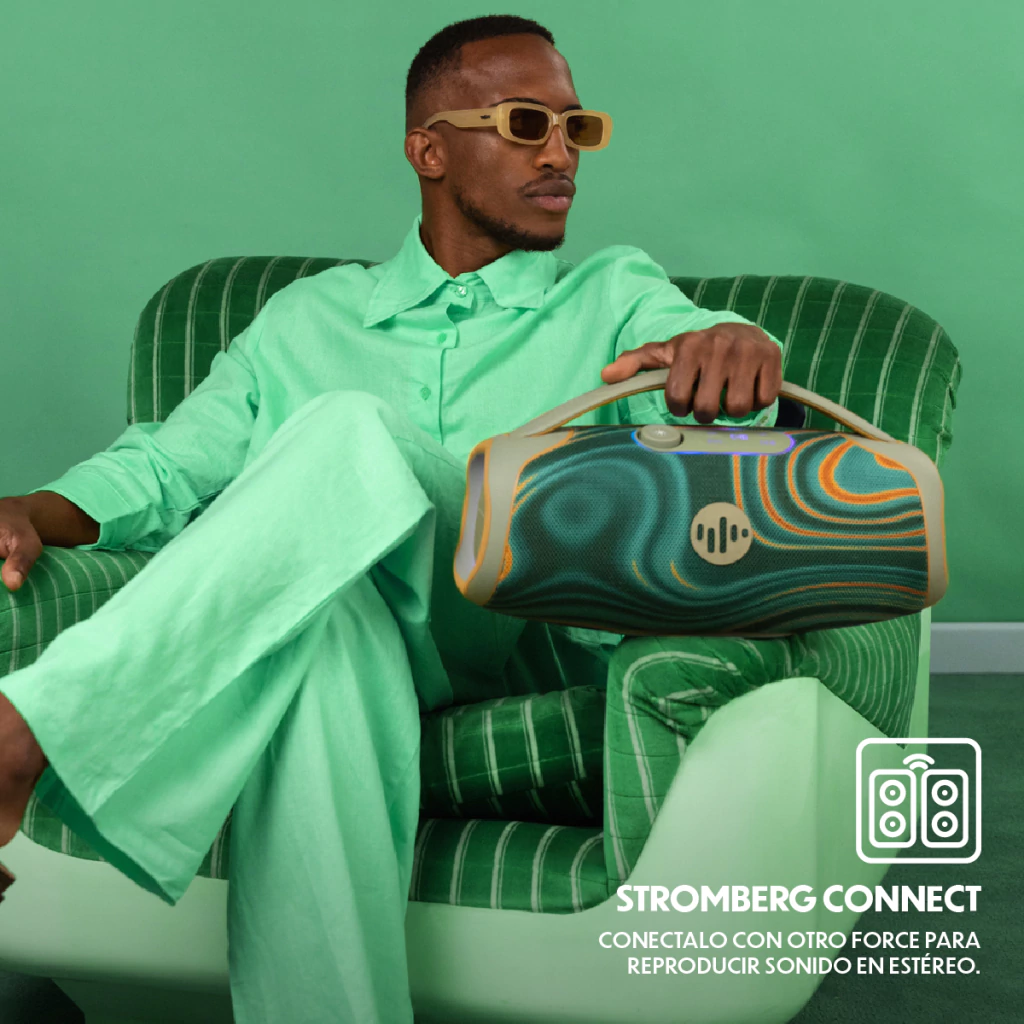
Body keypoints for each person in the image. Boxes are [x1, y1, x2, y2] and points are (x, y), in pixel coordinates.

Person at [0, 14, 783, 1023]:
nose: (560, 153)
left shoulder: (612, 293)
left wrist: (734, 348)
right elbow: (167, 464)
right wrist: (33, 509)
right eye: (526, 123)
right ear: (428, 150)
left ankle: (33, 729)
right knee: (329, 639)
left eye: (576, 127)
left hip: (522, 627)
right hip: (367, 638)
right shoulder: (306, 317)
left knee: (348, 429)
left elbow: (705, 363)